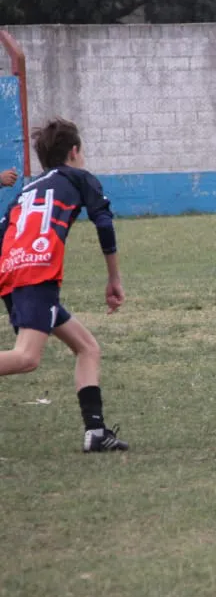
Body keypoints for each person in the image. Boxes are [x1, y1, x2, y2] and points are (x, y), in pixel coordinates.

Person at [0, 119, 128, 452]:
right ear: (74, 151)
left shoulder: (27, 190)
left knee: (87, 347)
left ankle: (96, 432)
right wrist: (114, 278)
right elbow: (104, 223)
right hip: (36, 271)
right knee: (27, 358)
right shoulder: (80, 177)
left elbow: (4, 232)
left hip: (12, 272)